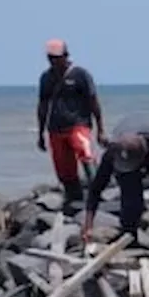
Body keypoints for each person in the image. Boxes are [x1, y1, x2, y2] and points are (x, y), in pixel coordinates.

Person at [37, 39, 106, 205]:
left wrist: (100, 128)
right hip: (56, 128)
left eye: (57, 57)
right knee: (63, 166)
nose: (53, 61)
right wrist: (41, 133)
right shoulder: (46, 78)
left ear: (65, 56)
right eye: (50, 58)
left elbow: (93, 101)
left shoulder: (80, 75)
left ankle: (96, 192)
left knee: (85, 153)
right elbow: (43, 105)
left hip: (78, 123)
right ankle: (74, 198)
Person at [81, 112, 149, 243]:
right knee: (130, 197)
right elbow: (96, 188)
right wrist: (88, 225)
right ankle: (129, 236)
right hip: (128, 143)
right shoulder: (113, 153)